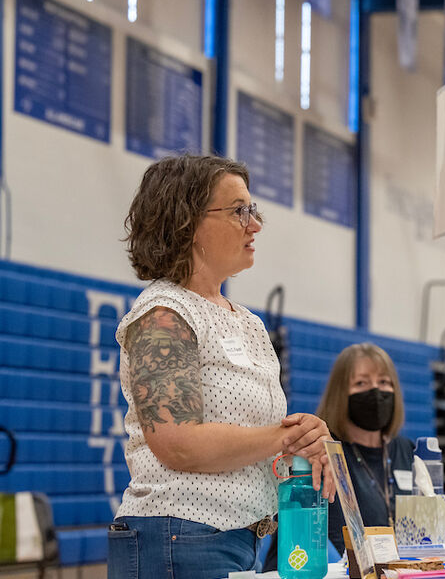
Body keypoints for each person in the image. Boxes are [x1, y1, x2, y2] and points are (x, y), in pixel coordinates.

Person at [108, 155, 334, 579]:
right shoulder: (163, 313)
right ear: (186, 223)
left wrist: (305, 444)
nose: (255, 224)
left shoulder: (247, 322)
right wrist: (285, 437)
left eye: (252, 210)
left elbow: (257, 442)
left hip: (238, 538)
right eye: (238, 211)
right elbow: (176, 442)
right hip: (177, 536)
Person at [266, 343, 415, 568]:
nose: (375, 391)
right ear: (341, 393)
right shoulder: (320, 451)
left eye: (384, 382)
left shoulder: (405, 450)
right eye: (361, 383)